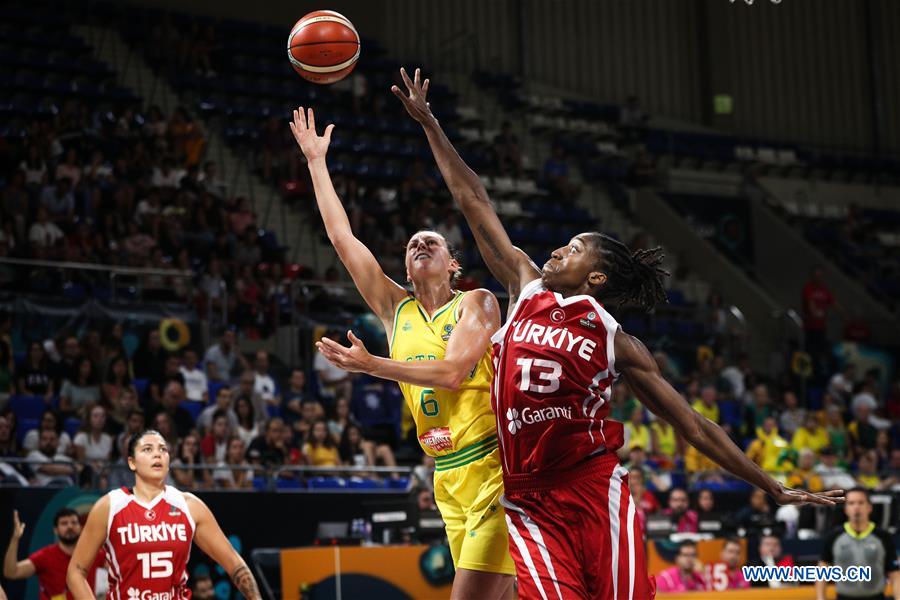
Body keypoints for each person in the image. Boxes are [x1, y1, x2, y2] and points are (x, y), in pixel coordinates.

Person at [379, 66, 843, 599]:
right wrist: (430, 124)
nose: (557, 250)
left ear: (596, 277)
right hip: (526, 500)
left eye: (574, 249)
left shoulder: (615, 340)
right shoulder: (525, 288)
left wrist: (770, 484)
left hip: (594, 491)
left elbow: (693, 425)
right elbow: (474, 202)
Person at [290, 105, 516, 599]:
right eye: (413, 243)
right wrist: (315, 162)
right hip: (445, 475)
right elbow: (341, 238)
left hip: (494, 469)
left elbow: (455, 372)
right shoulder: (396, 310)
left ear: (453, 264)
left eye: (431, 241)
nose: (419, 243)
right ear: (407, 270)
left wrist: (373, 365)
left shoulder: (477, 302)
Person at [66, 429, 262, 598]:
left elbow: (234, 563)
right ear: (132, 463)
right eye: (147, 449)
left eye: (163, 449)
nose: (157, 454)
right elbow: (75, 572)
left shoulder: (190, 506)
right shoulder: (110, 506)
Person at [4, 508, 106, 600]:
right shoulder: (45, 556)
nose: (70, 526)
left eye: (74, 522)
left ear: (80, 528)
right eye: (64, 523)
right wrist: (15, 539)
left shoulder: (93, 553)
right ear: (56, 530)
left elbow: (118, 568)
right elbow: (12, 572)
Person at [817, 487, 899, 600]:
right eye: (851, 503)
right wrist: (821, 598)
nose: (856, 507)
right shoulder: (834, 537)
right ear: (845, 509)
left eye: (861, 503)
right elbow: (822, 570)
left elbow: (894, 574)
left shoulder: (883, 537)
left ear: (869, 507)